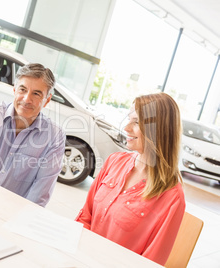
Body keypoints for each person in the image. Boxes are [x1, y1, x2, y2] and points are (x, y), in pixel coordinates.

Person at [75, 92, 185, 265]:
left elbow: (150, 263)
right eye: (129, 119)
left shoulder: (171, 196)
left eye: (137, 122)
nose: (126, 128)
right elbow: (84, 218)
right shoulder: (114, 161)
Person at [0, 63, 65, 207]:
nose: (27, 99)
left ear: (47, 100)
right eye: (23, 89)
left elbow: (40, 194)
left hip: (9, 214)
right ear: (14, 90)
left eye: (36, 93)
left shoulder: (54, 137)